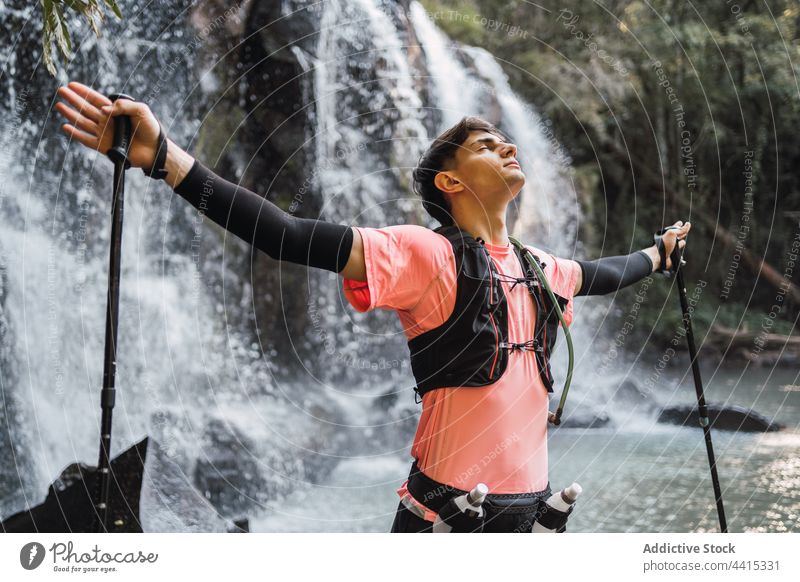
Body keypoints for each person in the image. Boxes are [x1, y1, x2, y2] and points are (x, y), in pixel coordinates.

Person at [55, 81, 691, 533]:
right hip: (444, 512)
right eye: (486, 144)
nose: (507, 147)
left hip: (531, 510)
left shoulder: (540, 267)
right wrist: (167, 159)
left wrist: (659, 255)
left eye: (506, 141)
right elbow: (287, 234)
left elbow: (607, 274)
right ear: (450, 181)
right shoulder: (422, 254)